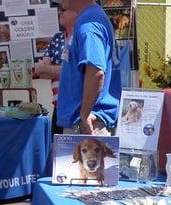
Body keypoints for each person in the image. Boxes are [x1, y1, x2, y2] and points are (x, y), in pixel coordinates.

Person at [57, 0, 121, 135]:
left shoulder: (89, 24)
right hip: (86, 122)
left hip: (86, 125)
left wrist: (84, 114)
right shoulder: (91, 17)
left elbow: (96, 73)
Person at [34, 1, 77, 136]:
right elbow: (40, 70)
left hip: (77, 107)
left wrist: (53, 70)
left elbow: (81, 71)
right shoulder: (57, 38)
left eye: (63, 10)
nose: (59, 13)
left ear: (75, 12)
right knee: (56, 150)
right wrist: (67, 70)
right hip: (58, 107)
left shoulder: (82, 36)